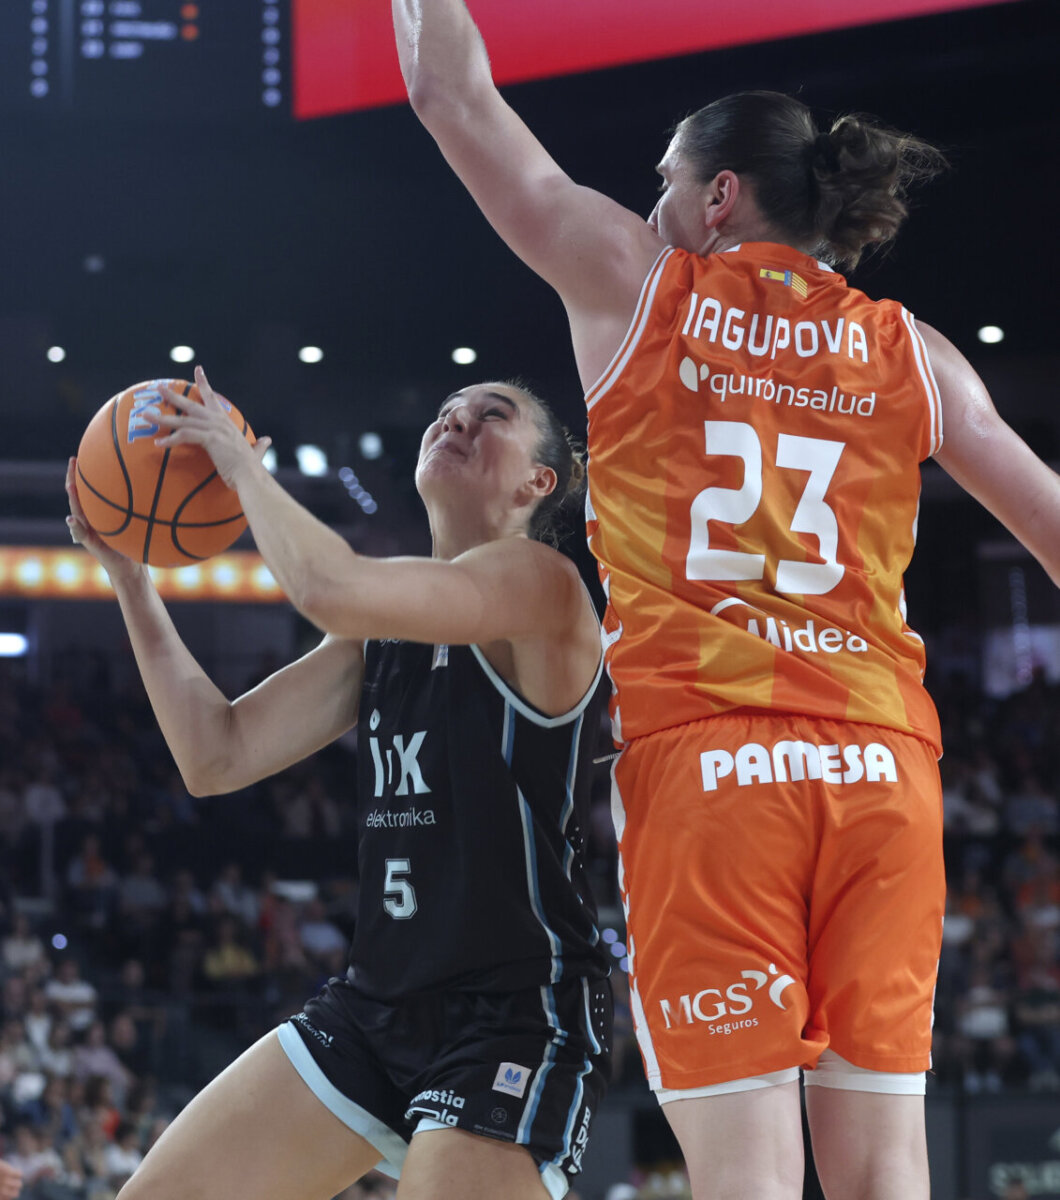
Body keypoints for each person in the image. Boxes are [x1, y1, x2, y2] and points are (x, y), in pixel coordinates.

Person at [391, 5, 1060, 1198]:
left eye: (662, 183)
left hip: (713, 768)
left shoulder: (641, 286)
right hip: (883, 773)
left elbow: (454, 100)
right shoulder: (917, 355)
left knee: (744, 1182)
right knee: (884, 1178)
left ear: (717, 199)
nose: (648, 206)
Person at [65, 367, 611, 1200]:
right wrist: (132, 580)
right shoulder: (382, 635)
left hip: (513, 1014)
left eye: (490, 414)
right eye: (446, 408)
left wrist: (238, 463)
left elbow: (328, 588)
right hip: (375, 1006)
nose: (456, 418)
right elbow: (216, 755)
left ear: (540, 482)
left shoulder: (544, 587)